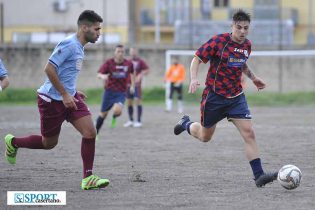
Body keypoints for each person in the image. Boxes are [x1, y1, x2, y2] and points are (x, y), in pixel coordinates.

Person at [3, 10, 109, 190]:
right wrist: (64, 94)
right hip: (51, 100)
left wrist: (72, 91)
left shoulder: (79, 47)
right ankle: (13, 142)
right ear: (84, 27)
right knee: (48, 143)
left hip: (69, 97)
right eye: (97, 29)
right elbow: (49, 69)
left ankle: (88, 178)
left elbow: (65, 73)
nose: (99, 33)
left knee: (90, 132)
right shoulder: (68, 44)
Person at [173, 9, 278, 187]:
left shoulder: (247, 45)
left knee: (249, 133)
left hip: (236, 97)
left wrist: (253, 78)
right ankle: (186, 124)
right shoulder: (219, 41)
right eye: (239, 28)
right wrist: (194, 78)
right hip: (214, 97)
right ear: (232, 26)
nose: (243, 31)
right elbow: (197, 58)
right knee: (205, 137)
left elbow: (241, 63)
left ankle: (259, 176)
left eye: (246, 28)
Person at [95, 45, 135, 134]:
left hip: (121, 92)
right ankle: (96, 132)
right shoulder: (109, 63)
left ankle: (114, 116)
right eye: (118, 51)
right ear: (115, 53)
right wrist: (103, 76)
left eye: (122, 52)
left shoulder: (128, 64)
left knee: (117, 111)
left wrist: (132, 85)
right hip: (109, 91)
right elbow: (99, 74)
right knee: (103, 114)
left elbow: (132, 73)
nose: (120, 54)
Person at [124, 47, 149, 128]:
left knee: (137, 101)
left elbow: (146, 70)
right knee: (129, 102)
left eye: (134, 51)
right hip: (128, 85)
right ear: (130, 52)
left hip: (137, 85)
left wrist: (140, 75)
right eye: (131, 51)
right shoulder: (127, 61)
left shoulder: (140, 61)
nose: (133, 53)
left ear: (136, 52)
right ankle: (130, 120)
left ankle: (138, 121)